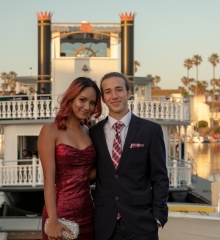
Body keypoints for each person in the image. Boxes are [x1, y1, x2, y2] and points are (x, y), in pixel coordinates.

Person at [90, 72, 169, 240]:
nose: (114, 96)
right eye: (108, 91)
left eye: (119, 89)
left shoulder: (150, 130)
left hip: (141, 223)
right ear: (103, 98)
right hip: (105, 224)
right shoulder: (93, 133)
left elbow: (160, 177)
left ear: (129, 92)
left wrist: (158, 217)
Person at [38, 77, 102, 240]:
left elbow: (88, 173)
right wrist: (52, 220)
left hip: (88, 212)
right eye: (82, 100)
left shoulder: (90, 132)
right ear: (71, 98)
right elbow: (48, 178)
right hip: (59, 214)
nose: (87, 107)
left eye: (92, 103)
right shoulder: (50, 130)